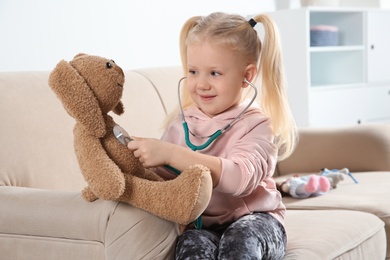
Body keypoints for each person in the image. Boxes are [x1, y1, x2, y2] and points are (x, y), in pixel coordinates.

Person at [128, 12, 297, 260]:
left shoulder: (256, 124)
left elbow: (240, 179)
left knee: (240, 240)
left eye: (214, 73)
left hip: (256, 221)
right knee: (190, 245)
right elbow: (164, 181)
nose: (201, 84)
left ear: (246, 76)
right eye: (194, 72)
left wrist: (173, 154)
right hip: (202, 226)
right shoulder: (181, 124)